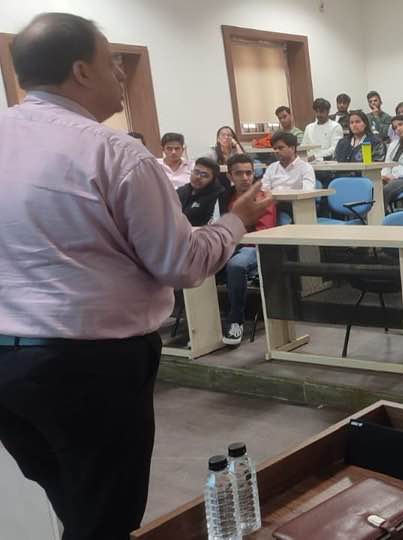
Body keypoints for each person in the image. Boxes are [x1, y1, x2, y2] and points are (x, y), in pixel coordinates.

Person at [0, 13, 272, 539]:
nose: (121, 75)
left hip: (8, 364)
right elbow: (182, 263)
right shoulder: (114, 152)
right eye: (111, 62)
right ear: (81, 70)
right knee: (106, 515)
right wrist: (237, 218)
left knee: (72, 503)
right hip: (87, 365)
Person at [220, 154, 277, 346]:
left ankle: (235, 320)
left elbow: (263, 233)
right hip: (227, 245)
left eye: (249, 173)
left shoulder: (263, 198)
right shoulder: (223, 197)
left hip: (252, 247)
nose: (245, 178)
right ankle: (200, 326)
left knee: (236, 265)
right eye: (239, 173)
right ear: (230, 176)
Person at [177, 157, 225, 226]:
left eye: (204, 175)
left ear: (213, 179)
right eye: (196, 172)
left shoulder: (218, 195)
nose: (198, 177)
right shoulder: (182, 190)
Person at [302, 98, 342, 162]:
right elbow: (303, 147)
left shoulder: (335, 126)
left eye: (321, 112)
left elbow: (335, 148)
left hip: (327, 163)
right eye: (316, 112)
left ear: (328, 112)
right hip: (309, 163)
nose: (318, 114)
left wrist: (315, 156)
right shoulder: (309, 127)